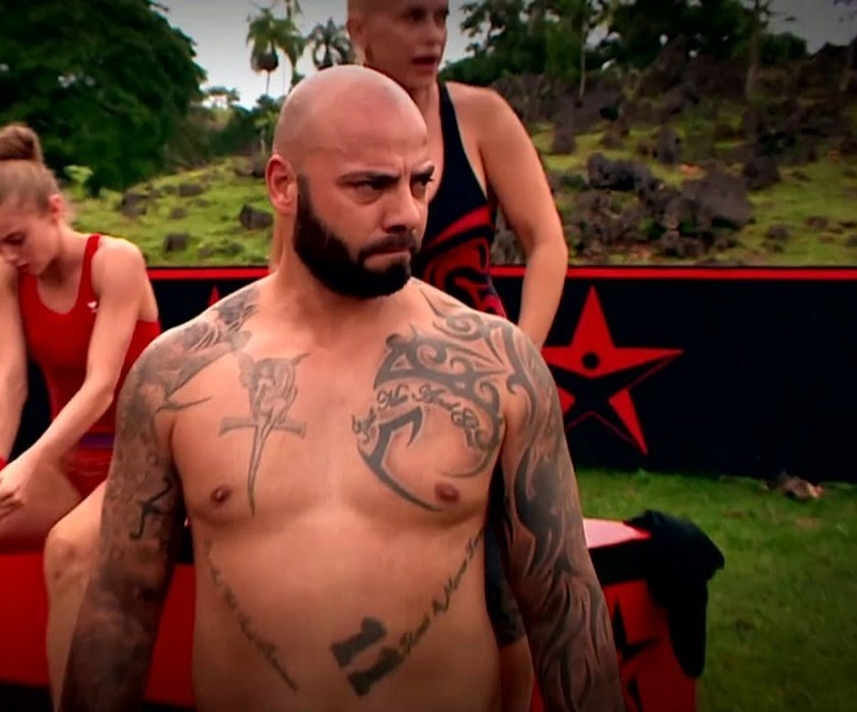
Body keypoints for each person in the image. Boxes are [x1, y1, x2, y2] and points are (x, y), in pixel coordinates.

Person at [60, 65, 624, 712]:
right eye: (370, 186)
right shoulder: (178, 375)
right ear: (283, 185)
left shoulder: (497, 365)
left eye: (420, 183)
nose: (406, 214)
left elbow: (563, 604)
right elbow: (120, 606)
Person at [339, 3, 573, 708]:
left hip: (481, 400)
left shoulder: (481, 117)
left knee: (505, 600)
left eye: (441, 16)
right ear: (359, 25)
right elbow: (289, 273)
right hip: (370, 402)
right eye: (413, 16)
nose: (434, 35)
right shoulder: (326, 129)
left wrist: (520, 362)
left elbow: (547, 243)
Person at [0, 122, 162, 702]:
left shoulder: (116, 260)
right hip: (73, 464)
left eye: (16, 239)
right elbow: (9, 380)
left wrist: (27, 462)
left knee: (69, 549)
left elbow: (101, 386)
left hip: (144, 462)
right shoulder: (8, 273)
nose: (7, 256)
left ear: (54, 210)